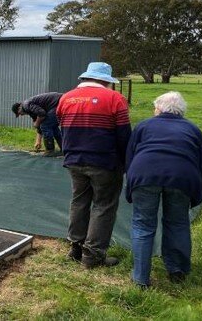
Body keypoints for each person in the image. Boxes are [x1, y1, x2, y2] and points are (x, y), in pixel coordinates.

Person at [125, 92, 202, 287]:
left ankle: (140, 278)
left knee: (143, 225)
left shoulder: (144, 125)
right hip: (182, 178)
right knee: (178, 223)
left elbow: (130, 157)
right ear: (181, 111)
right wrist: (198, 191)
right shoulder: (193, 129)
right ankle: (177, 270)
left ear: (158, 108)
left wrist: (132, 183)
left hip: (144, 175)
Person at [57, 62, 131, 268]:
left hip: (74, 161)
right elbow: (124, 135)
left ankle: (76, 247)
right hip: (105, 162)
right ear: (106, 80)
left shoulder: (66, 98)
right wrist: (126, 162)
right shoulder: (115, 99)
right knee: (103, 206)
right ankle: (93, 255)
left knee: (79, 201)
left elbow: (62, 128)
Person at [12, 92, 63, 157]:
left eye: (19, 113)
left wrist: (37, 123)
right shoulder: (29, 109)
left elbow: (42, 114)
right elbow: (39, 125)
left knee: (46, 125)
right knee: (52, 127)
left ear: (19, 108)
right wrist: (38, 141)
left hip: (59, 102)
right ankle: (64, 149)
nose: (21, 115)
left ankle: (50, 150)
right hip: (59, 102)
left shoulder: (26, 105)